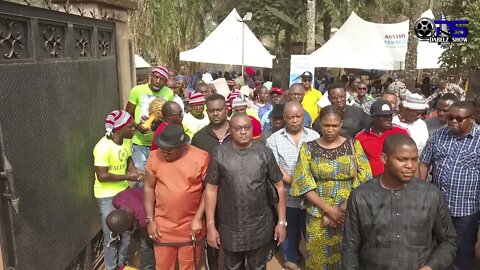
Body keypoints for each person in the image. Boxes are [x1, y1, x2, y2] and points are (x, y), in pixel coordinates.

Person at [342, 133, 457, 269]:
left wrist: (429, 267)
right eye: (402, 160)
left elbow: (449, 241)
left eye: (414, 159)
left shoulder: (431, 195)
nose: (410, 166)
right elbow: (350, 248)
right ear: (384, 158)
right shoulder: (361, 196)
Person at [291, 105, 372, 269]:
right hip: (317, 213)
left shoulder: (353, 145)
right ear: (320, 123)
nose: (330, 129)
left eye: (334, 125)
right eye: (326, 125)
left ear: (341, 124)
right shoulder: (308, 148)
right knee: (319, 260)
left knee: (347, 258)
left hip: (349, 213)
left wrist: (342, 209)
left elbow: (365, 176)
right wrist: (329, 210)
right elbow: (303, 182)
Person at [204, 113, 287, 270]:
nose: (243, 132)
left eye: (247, 127)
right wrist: (210, 225)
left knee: (258, 266)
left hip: (260, 224)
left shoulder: (264, 153)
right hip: (230, 226)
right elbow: (211, 189)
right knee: (233, 266)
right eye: (238, 128)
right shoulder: (219, 153)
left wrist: (282, 222)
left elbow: (279, 186)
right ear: (230, 130)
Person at [418, 101, 480, 270]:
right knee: (436, 249)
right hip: (438, 208)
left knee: (463, 251)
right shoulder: (438, 136)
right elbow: (424, 164)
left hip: (466, 210)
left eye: (459, 118)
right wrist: (417, 193)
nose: (453, 121)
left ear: (471, 119)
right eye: (450, 117)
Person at [144, 124, 209, 270]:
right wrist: (150, 220)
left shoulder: (201, 157)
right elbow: (148, 188)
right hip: (162, 228)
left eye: (169, 150)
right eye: (162, 148)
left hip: (191, 227)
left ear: (182, 146)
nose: (165, 153)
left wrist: (198, 218)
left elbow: (208, 190)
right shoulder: (154, 157)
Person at [266, 102, 319, 270]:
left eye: (298, 117)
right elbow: (275, 167)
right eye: (291, 117)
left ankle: (314, 262)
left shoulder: (314, 136)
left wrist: (306, 186)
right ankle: (292, 261)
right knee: (290, 233)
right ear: (284, 118)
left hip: (312, 197)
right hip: (288, 198)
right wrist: (297, 183)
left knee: (311, 233)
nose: (295, 120)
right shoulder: (273, 140)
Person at [93, 110, 144, 270]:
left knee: (127, 231)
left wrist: (135, 172)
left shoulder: (126, 141)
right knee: (111, 236)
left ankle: (122, 264)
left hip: (123, 193)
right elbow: (102, 176)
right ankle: (111, 267)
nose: (133, 129)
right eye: (130, 127)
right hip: (107, 196)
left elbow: (127, 158)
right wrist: (129, 177)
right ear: (118, 129)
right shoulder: (102, 147)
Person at [191, 94, 231, 270]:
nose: (215, 113)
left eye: (219, 110)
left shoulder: (239, 132)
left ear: (226, 109)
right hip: (208, 199)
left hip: (236, 198)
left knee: (234, 244)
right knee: (212, 241)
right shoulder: (199, 138)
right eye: (211, 110)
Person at [126, 66, 174, 172]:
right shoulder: (137, 90)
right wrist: (137, 126)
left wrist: (157, 122)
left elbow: (168, 118)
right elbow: (127, 115)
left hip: (159, 144)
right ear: (150, 76)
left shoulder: (169, 93)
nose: (157, 81)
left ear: (166, 82)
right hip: (139, 144)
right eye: (156, 77)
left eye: (162, 80)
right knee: (140, 178)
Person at [355, 100, 409, 177]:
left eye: (390, 115)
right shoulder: (360, 137)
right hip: (370, 184)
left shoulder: (402, 133)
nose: (388, 119)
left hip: (396, 181)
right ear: (373, 117)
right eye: (384, 116)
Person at [107, 188, 154, 270]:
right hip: (138, 198)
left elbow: (145, 230)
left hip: (154, 201)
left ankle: (148, 267)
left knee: (145, 243)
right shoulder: (116, 200)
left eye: (124, 229)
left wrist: (138, 233)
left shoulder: (142, 215)